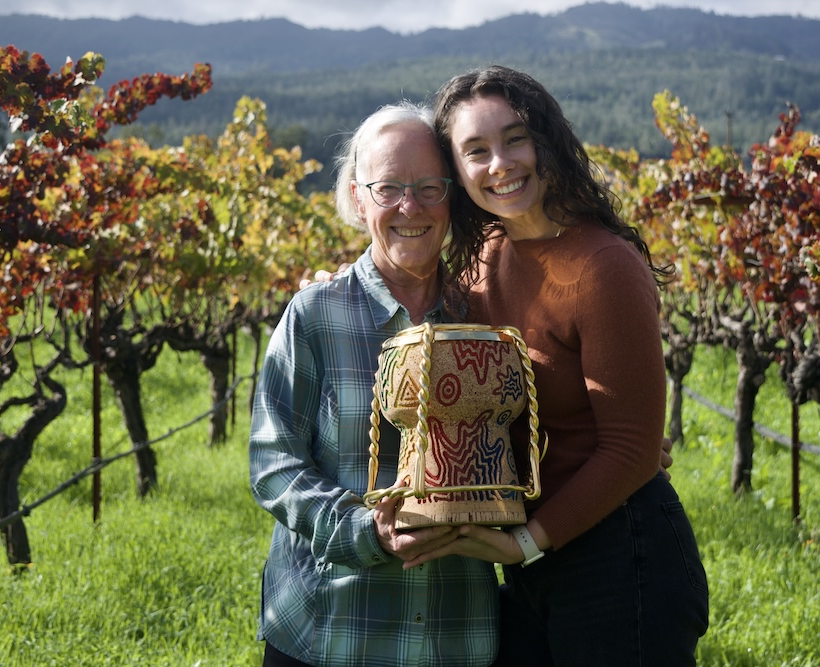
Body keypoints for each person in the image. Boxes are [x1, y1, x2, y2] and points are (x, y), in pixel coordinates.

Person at [402, 65, 710, 666]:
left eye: (515, 138)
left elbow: (631, 451)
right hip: (534, 555)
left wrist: (526, 545)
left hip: (621, 555)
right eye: (476, 150)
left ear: (546, 140)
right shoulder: (483, 262)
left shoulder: (604, 266)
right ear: (457, 171)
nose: (500, 163)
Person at [248, 102, 501, 667]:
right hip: (329, 631)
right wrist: (366, 530)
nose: (409, 206)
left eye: (429, 188)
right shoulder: (315, 315)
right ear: (359, 200)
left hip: (454, 634)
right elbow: (273, 464)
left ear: (451, 197)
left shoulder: (485, 321)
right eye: (387, 189)